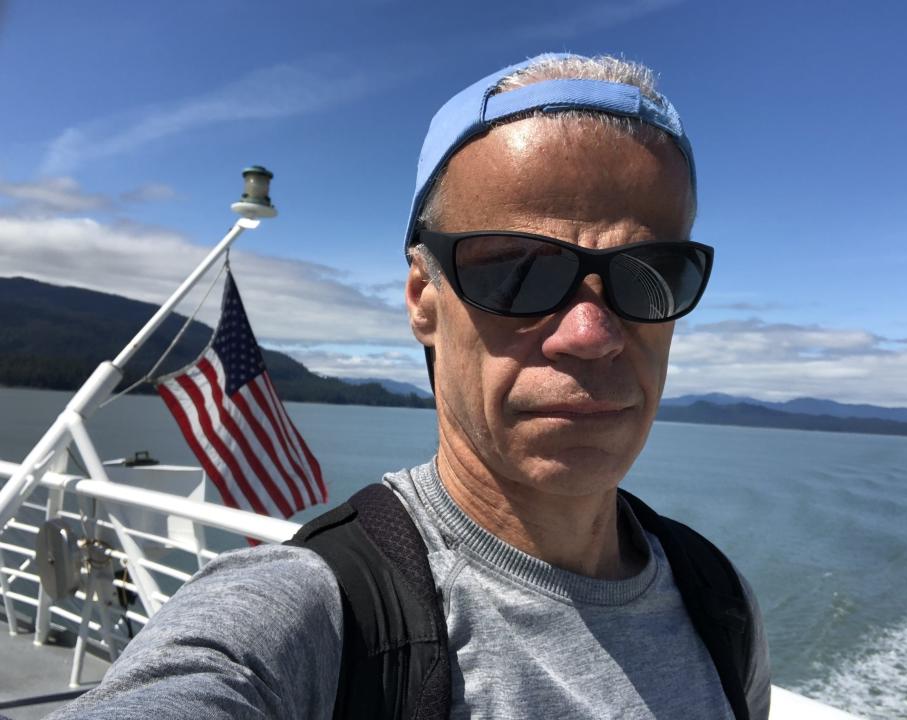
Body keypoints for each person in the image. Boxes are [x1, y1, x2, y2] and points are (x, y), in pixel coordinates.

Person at [51, 53, 771, 719]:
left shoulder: (719, 602)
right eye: (516, 270)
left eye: (651, 277)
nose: (591, 332)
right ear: (424, 300)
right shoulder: (319, 616)